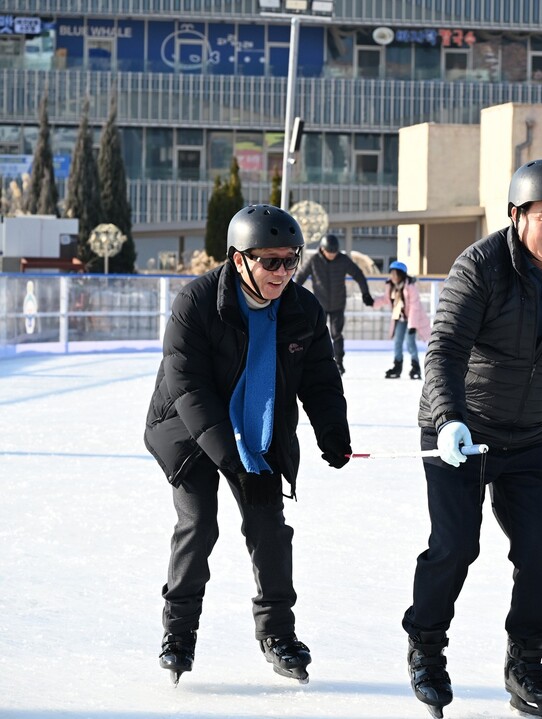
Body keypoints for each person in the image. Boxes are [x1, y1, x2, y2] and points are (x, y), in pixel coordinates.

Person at [402, 159, 542, 719]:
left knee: (540, 556)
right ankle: (426, 647)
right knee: (456, 546)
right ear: (517, 216)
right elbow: (443, 351)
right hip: (463, 430)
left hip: (536, 434)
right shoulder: (481, 266)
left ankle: (526, 663)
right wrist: (448, 420)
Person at [144, 205, 353, 686]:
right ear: (240, 260)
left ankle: (278, 633)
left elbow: (321, 380)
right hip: (190, 430)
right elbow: (189, 388)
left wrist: (333, 434)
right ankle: (178, 635)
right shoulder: (196, 302)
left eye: (290, 260)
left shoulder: (302, 309)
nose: (282, 272)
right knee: (199, 524)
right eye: (270, 261)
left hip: (257, 431)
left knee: (269, 529)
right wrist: (229, 454)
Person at [293, 233, 374, 375]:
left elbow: (358, 274)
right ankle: (315, 362)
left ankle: (339, 363)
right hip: (320, 305)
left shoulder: (343, 260)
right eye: (330, 252)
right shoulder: (313, 260)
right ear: (322, 249)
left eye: (335, 252)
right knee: (316, 335)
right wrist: (291, 295)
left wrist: (365, 293)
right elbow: (300, 276)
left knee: (337, 335)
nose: (332, 255)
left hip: (338, 304)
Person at [373, 260, 431, 379]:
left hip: (412, 319)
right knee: (397, 341)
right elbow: (386, 299)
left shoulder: (410, 286)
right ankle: (397, 367)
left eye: (395, 274)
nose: (393, 276)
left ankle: (415, 367)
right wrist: (372, 302)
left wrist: (412, 326)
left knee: (410, 343)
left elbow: (415, 308)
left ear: (401, 275)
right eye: (392, 273)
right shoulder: (391, 286)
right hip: (399, 318)